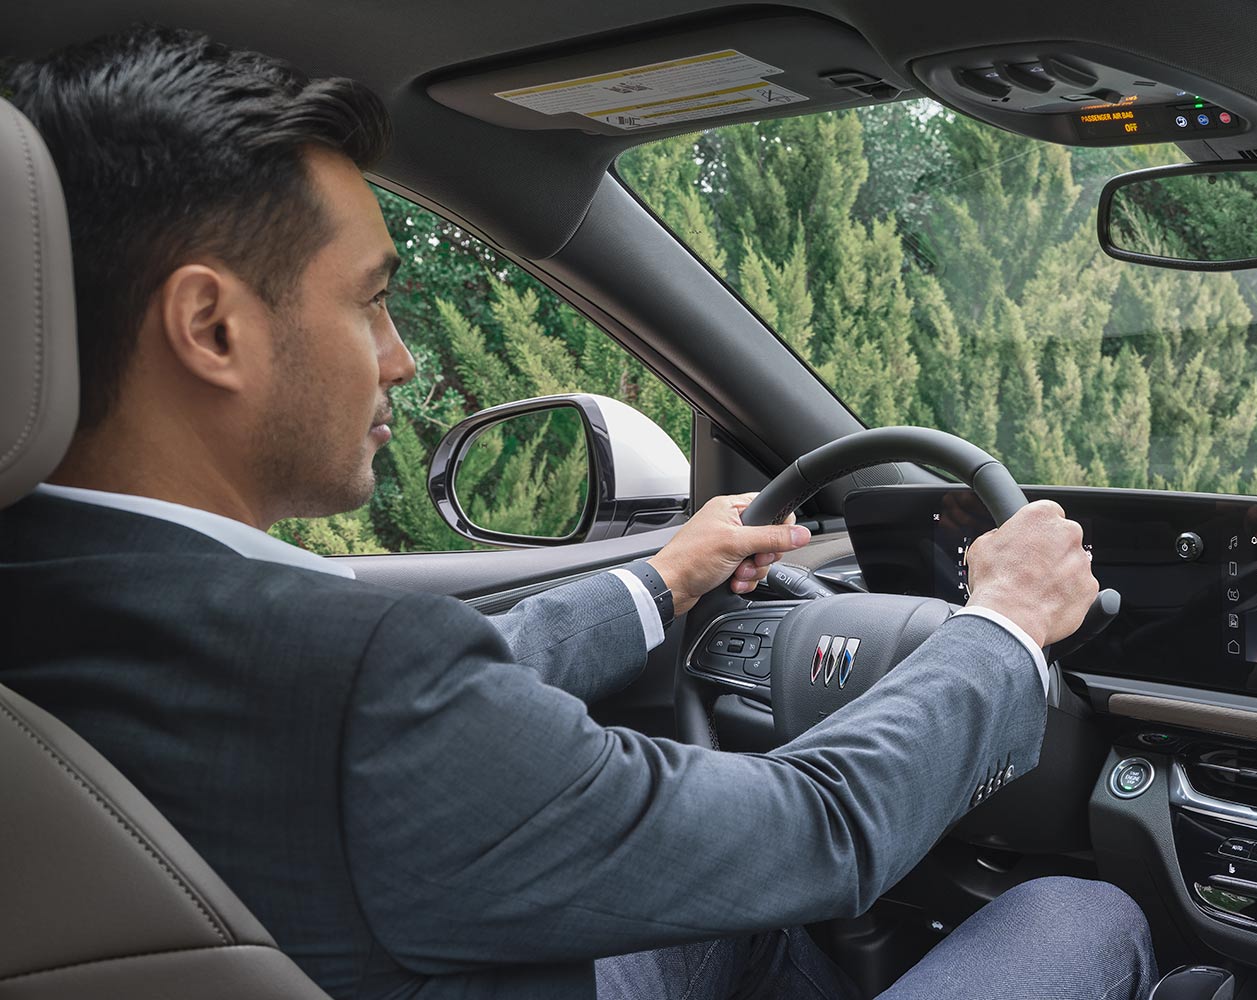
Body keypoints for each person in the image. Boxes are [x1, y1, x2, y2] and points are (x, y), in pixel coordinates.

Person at [0, 26, 1157, 1000]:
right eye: (372, 302)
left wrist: (662, 578)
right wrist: (1002, 623)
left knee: (744, 931)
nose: (400, 360)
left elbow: (443, 701)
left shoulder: (71, 602)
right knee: (1075, 915)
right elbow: (814, 833)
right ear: (211, 327)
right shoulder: (345, 681)